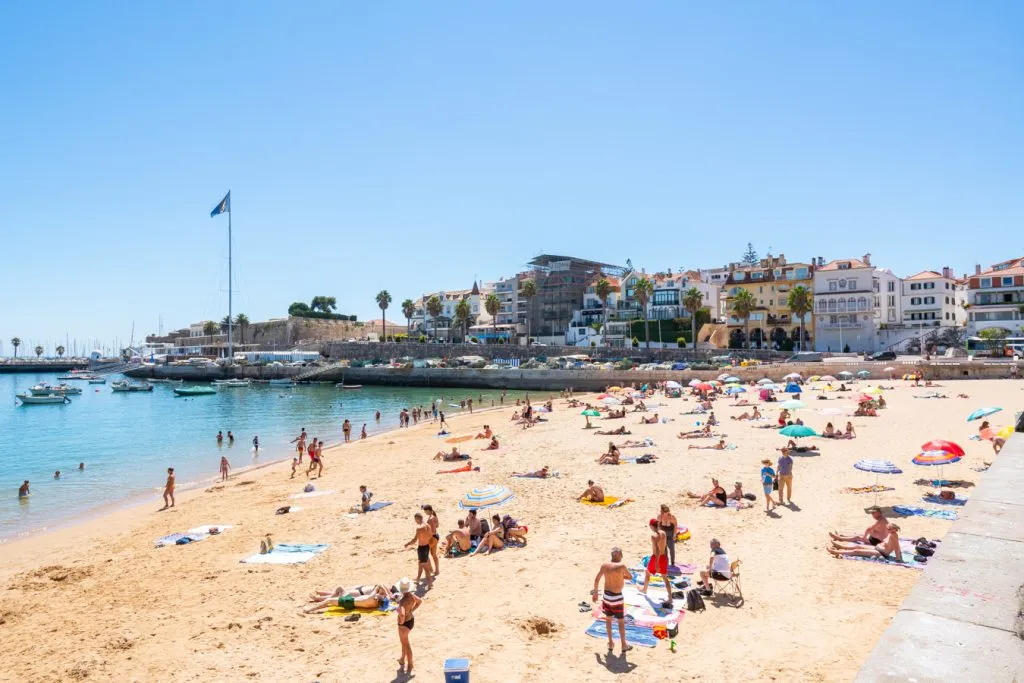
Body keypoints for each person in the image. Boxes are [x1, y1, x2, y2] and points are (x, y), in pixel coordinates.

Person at [590, 547, 634, 654]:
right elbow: (630, 577)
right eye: (621, 554)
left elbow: (596, 579)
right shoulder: (621, 566)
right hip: (617, 598)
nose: (622, 556)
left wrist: (595, 593)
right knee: (620, 622)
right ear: (618, 555)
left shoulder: (605, 565)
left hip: (607, 597)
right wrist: (621, 577)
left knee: (608, 620)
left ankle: (610, 643)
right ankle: (623, 645)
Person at [829, 523, 903, 562]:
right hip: (878, 548)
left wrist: (898, 559)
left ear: (894, 529)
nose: (887, 529)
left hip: (881, 553)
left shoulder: (894, 536)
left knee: (857, 551)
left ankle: (836, 552)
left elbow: (896, 547)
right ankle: (841, 547)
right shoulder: (891, 534)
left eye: (888, 529)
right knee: (858, 546)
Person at [304, 584, 392, 614]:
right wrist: (386, 595)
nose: (380, 595)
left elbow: (379, 585)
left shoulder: (371, 598)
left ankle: (309, 610)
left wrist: (387, 594)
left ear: (378, 598)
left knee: (329, 601)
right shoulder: (375, 602)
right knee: (340, 589)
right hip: (351, 600)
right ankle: (319, 599)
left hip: (349, 602)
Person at [403, 513, 434, 589]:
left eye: (415, 520)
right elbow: (430, 535)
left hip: (422, 548)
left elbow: (414, 540)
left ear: (417, 518)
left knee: (425, 568)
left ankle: (430, 584)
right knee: (420, 564)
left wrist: (407, 544)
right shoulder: (428, 525)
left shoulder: (419, 528)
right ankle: (418, 579)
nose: (415, 521)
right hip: (426, 546)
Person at [396, 588, 422, 675]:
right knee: (403, 642)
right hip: (411, 621)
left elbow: (402, 614)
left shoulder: (402, 601)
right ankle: (402, 659)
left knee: (406, 644)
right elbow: (419, 601)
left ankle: (410, 664)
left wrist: (401, 622)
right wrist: (411, 610)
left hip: (404, 624)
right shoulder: (411, 595)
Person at [642, 519, 670, 595]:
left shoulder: (654, 536)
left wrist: (657, 563)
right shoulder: (663, 533)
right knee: (665, 578)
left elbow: (657, 550)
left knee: (647, 573)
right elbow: (664, 547)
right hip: (664, 557)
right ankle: (670, 598)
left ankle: (644, 590)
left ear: (651, 526)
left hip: (656, 558)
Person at [422, 504, 440, 575]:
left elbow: (432, 531)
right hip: (436, 537)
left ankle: (431, 569)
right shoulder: (434, 516)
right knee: (433, 554)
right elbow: (437, 526)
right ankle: (437, 570)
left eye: (425, 511)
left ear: (428, 510)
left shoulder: (430, 519)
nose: (425, 513)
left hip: (432, 537)